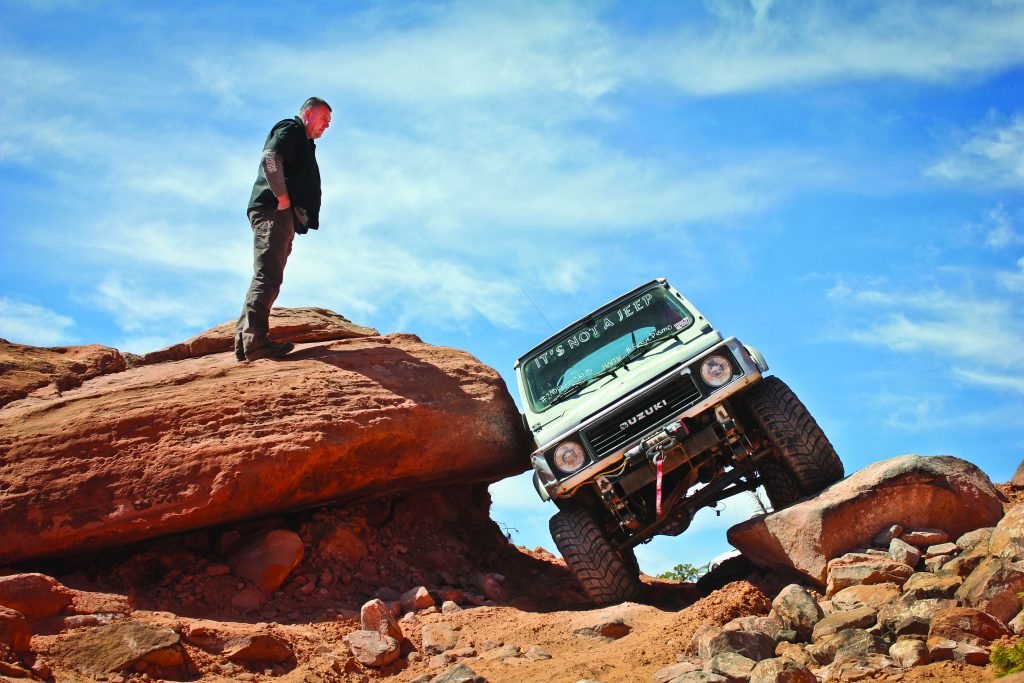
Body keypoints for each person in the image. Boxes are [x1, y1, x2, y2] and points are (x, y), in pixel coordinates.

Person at [235, 97, 332, 361]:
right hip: (274, 210)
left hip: (278, 213)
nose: (326, 126)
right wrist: (282, 199)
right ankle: (255, 342)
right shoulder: (291, 128)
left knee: (267, 275)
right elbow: (270, 158)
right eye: (324, 119)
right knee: (268, 275)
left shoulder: (304, 140)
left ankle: (246, 343)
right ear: (308, 113)